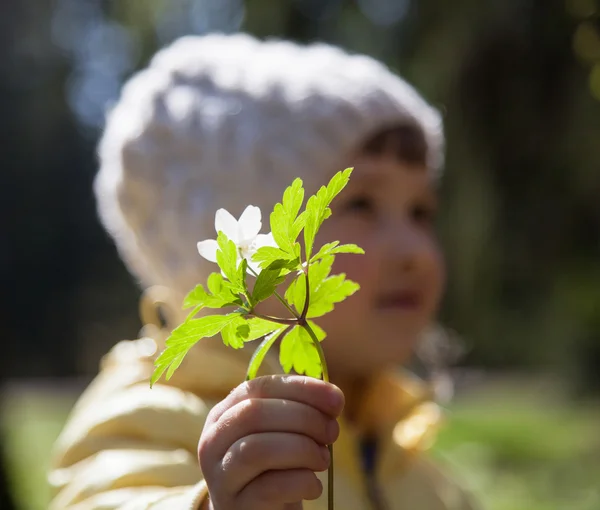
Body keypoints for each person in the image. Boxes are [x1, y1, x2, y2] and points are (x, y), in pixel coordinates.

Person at [48, 33, 479, 510]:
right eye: (360, 203)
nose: (415, 250)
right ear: (237, 253)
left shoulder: (409, 458)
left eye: (420, 212)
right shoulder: (151, 413)